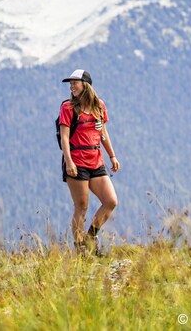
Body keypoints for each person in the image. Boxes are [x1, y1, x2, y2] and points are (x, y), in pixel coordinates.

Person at [58, 69, 120, 253]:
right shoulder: (68, 108)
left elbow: (103, 133)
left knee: (110, 201)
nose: (71, 86)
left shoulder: (99, 106)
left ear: (85, 85)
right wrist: (69, 161)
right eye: (70, 84)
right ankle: (80, 249)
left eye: (75, 83)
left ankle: (90, 238)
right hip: (76, 162)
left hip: (96, 160)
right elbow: (64, 137)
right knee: (82, 206)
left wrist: (112, 156)